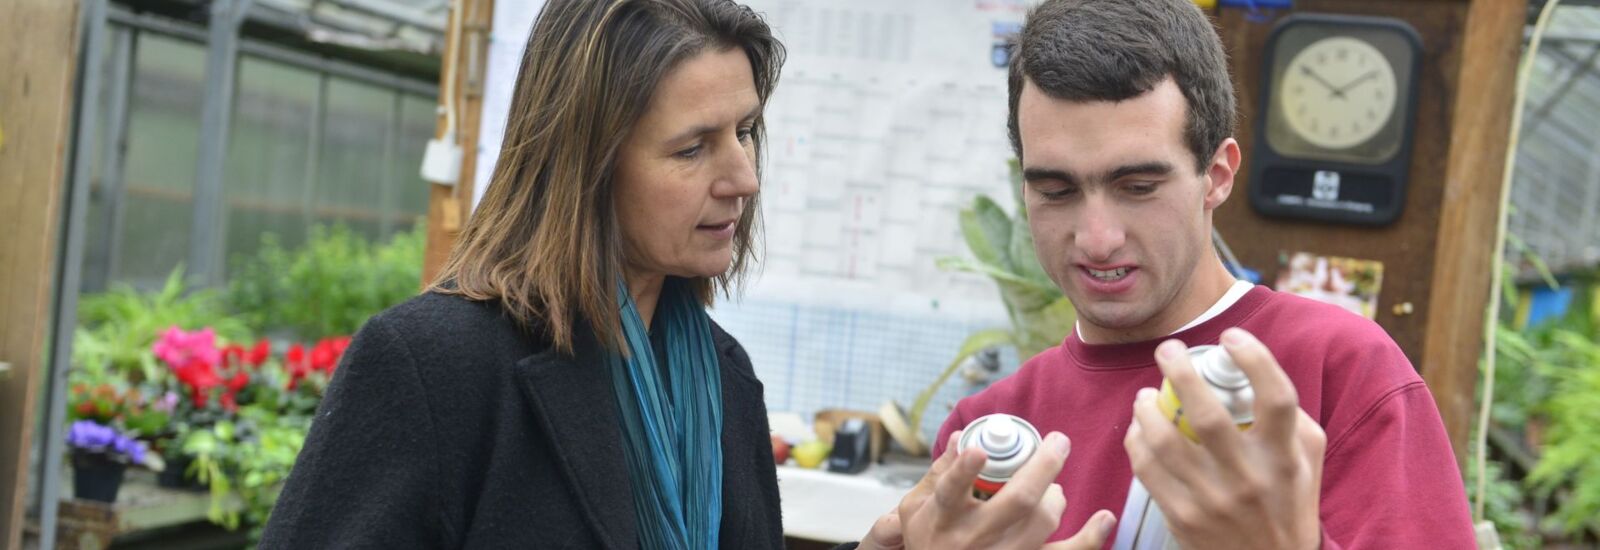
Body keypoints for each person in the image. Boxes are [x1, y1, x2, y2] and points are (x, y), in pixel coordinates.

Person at [259, 0, 1082, 547]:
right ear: (584, 163)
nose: (744, 177)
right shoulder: (435, 368)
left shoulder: (723, 381)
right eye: (694, 148)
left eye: (747, 131)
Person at [928, 0, 1477, 548]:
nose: (1097, 238)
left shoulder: (1339, 369)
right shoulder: (989, 428)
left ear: (1216, 176)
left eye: (1139, 188)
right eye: (1057, 191)